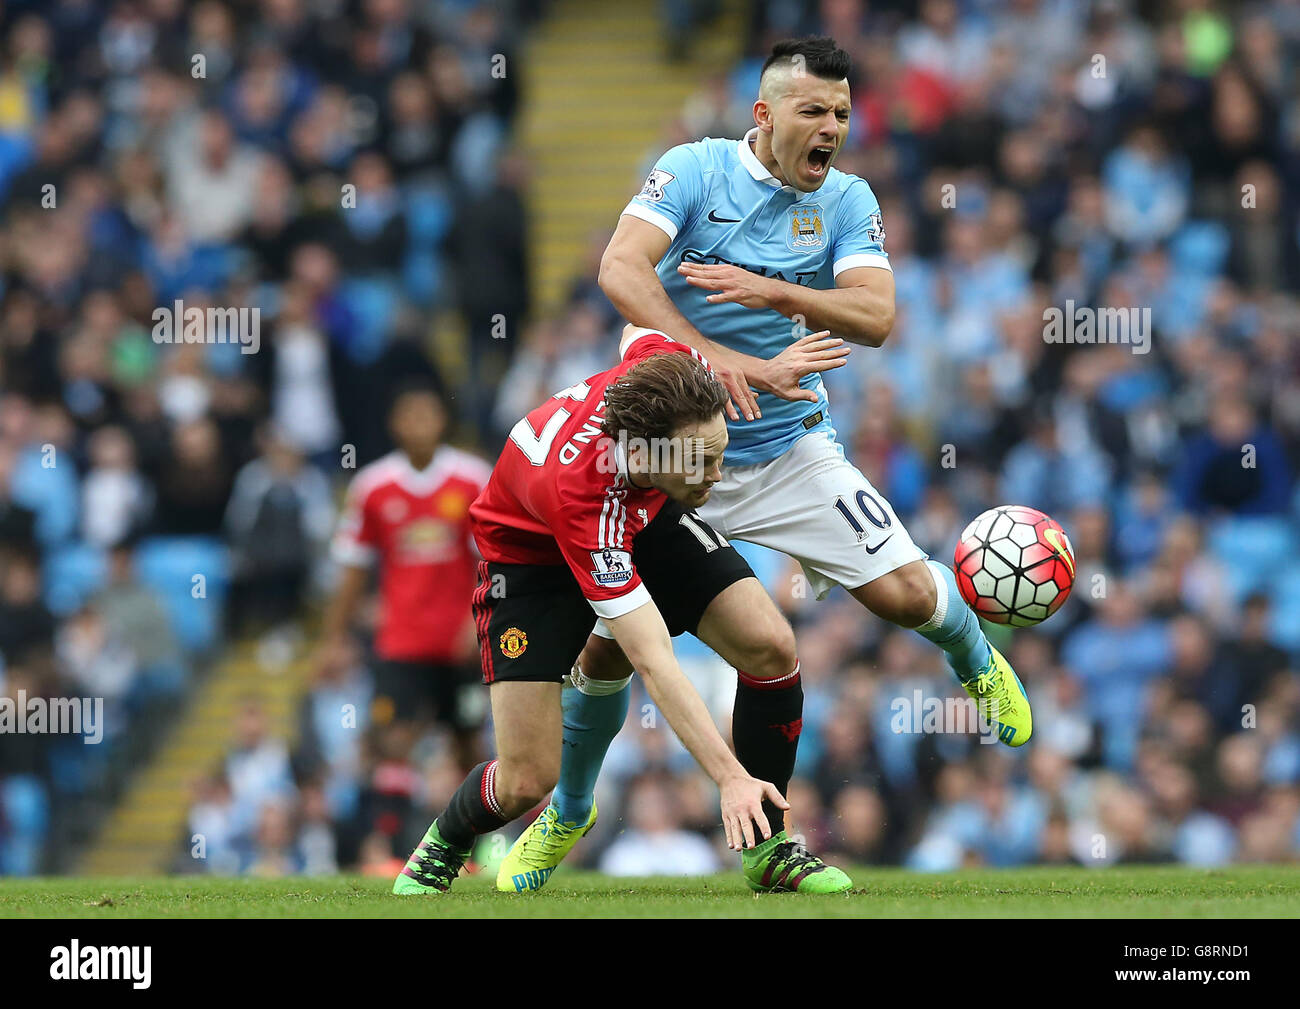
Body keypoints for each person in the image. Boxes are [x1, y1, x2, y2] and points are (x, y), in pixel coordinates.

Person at [503, 35, 1032, 893]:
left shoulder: (850, 199)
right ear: (765, 113)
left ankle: (972, 654)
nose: (832, 129)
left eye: (843, 115)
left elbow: (876, 316)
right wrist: (717, 359)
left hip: (789, 445)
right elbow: (620, 269)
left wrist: (778, 293)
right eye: (814, 112)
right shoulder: (696, 170)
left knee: (903, 597)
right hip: (680, 463)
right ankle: (567, 808)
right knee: (609, 655)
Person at [394, 327, 851, 895]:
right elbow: (656, 661)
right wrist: (729, 778)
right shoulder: (585, 499)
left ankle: (769, 847)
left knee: (769, 644)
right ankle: (453, 840)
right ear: (643, 451)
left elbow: (639, 326)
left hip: (644, 507)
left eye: (719, 450)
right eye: (703, 461)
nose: (717, 472)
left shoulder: (669, 370)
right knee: (524, 779)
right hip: (529, 558)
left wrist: (759, 369)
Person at [325, 381, 490, 767]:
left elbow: (493, 560)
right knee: (390, 741)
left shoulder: (472, 478)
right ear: (394, 424)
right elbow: (352, 568)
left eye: (426, 414)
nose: (418, 423)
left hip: (460, 642)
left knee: (467, 741)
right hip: (399, 643)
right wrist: (334, 638)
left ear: (442, 421)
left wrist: (478, 622)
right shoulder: (372, 486)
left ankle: (477, 828)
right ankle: (397, 825)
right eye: (409, 415)